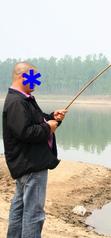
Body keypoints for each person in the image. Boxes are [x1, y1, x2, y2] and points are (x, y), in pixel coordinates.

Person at [2, 62, 67, 237]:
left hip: (26, 163)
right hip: (31, 164)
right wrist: (49, 128)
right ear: (22, 77)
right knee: (34, 213)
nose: (36, 82)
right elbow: (26, 132)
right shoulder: (17, 102)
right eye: (33, 78)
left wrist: (53, 117)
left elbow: (37, 121)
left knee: (20, 207)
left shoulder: (24, 99)